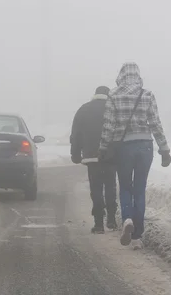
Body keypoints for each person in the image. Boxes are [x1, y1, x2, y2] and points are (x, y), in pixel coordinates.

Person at [98, 62, 171, 250]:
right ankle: (137, 236)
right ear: (137, 75)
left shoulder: (113, 96)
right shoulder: (147, 95)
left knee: (125, 187)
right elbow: (156, 123)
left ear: (121, 75)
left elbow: (108, 126)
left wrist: (103, 148)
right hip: (145, 147)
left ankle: (127, 218)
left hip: (124, 148)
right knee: (139, 189)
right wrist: (164, 149)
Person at [70, 85, 118, 234]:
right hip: (110, 156)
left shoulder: (83, 109)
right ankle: (111, 218)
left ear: (95, 94)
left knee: (96, 189)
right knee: (110, 187)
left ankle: (98, 224)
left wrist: (75, 154)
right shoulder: (113, 109)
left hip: (92, 157)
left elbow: (76, 134)